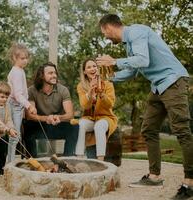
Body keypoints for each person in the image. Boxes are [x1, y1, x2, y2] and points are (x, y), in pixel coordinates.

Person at [96, 14, 193, 199]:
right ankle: (154, 176)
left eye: (104, 33)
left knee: (182, 130)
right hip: (158, 86)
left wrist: (114, 61)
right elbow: (132, 71)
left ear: (109, 27)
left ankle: (190, 183)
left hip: (172, 81)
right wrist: (108, 79)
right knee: (148, 128)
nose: (105, 37)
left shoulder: (137, 32)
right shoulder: (129, 45)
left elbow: (142, 61)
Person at [24, 62, 79, 158]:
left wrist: (58, 117)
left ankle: (67, 159)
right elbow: (30, 115)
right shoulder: (32, 90)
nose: (54, 75)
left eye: (55, 73)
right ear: (42, 76)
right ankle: (32, 160)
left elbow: (70, 115)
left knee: (74, 127)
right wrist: (46, 118)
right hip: (40, 124)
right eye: (50, 73)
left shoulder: (63, 90)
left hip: (57, 124)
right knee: (27, 124)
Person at [75, 58, 118, 160]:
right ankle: (79, 157)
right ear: (85, 72)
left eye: (94, 66)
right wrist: (90, 92)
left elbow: (110, 104)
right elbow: (84, 105)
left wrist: (101, 94)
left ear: (98, 69)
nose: (92, 69)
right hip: (90, 118)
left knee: (99, 126)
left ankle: (100, 160)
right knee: (80, 124)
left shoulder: (108, 84)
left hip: (106, 118)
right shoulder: (81, 86)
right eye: (89, 67)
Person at [7, 43, 37, 162]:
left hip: (18, 106)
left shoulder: (20, 70)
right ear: (14, 58)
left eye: (26, 58)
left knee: (15, 135)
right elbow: (17, 94)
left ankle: (11, 161)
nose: (25, 61)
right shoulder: (16, 72)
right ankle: (10, 162)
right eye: (22, 58)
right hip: (14, 105)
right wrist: (29, 105)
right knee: (15, 135)